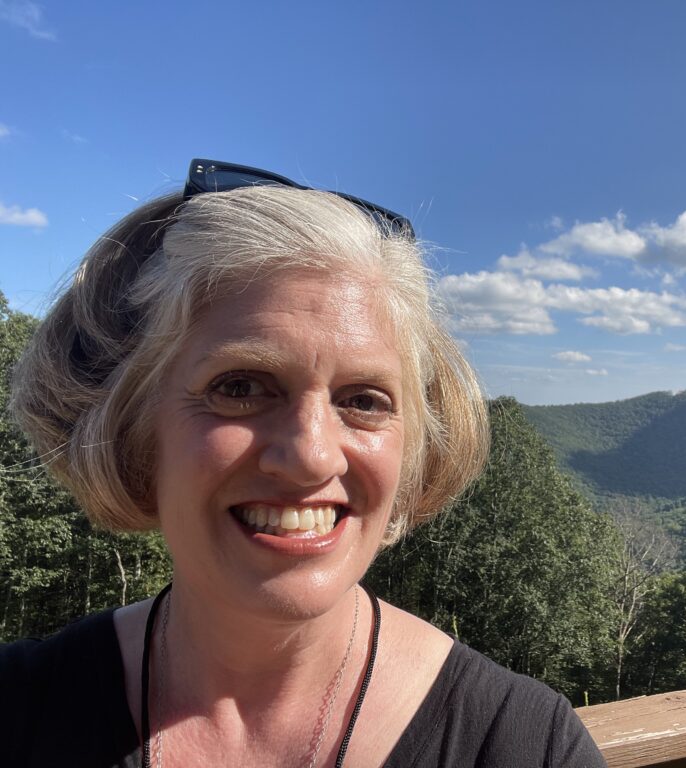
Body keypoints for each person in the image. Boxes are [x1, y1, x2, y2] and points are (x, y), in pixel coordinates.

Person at [1, 159, 607, 767]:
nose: (311, 457)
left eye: (364, 401)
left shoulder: (524, 747)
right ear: (132, 427)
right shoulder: (17, 710)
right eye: (240, 387)